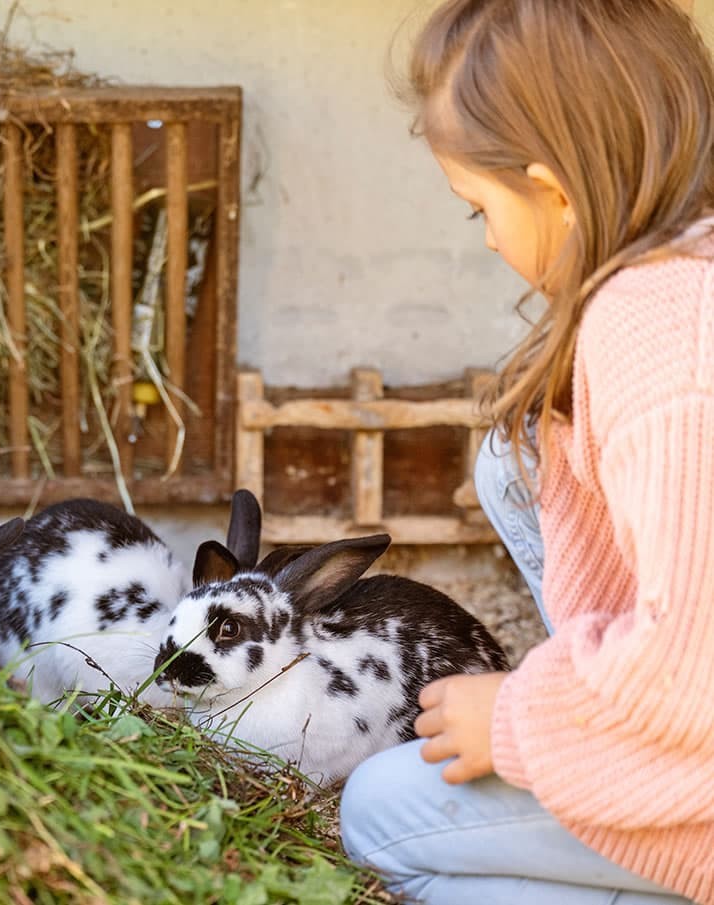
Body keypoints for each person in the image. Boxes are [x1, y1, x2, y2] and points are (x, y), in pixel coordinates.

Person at [338, 1, 714, 902]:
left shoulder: (656, 328)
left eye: (480, 210)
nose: (493, 241)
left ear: (555, 190)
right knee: (515, 460)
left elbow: (696, 663)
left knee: (377, 812)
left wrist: (518, 719)